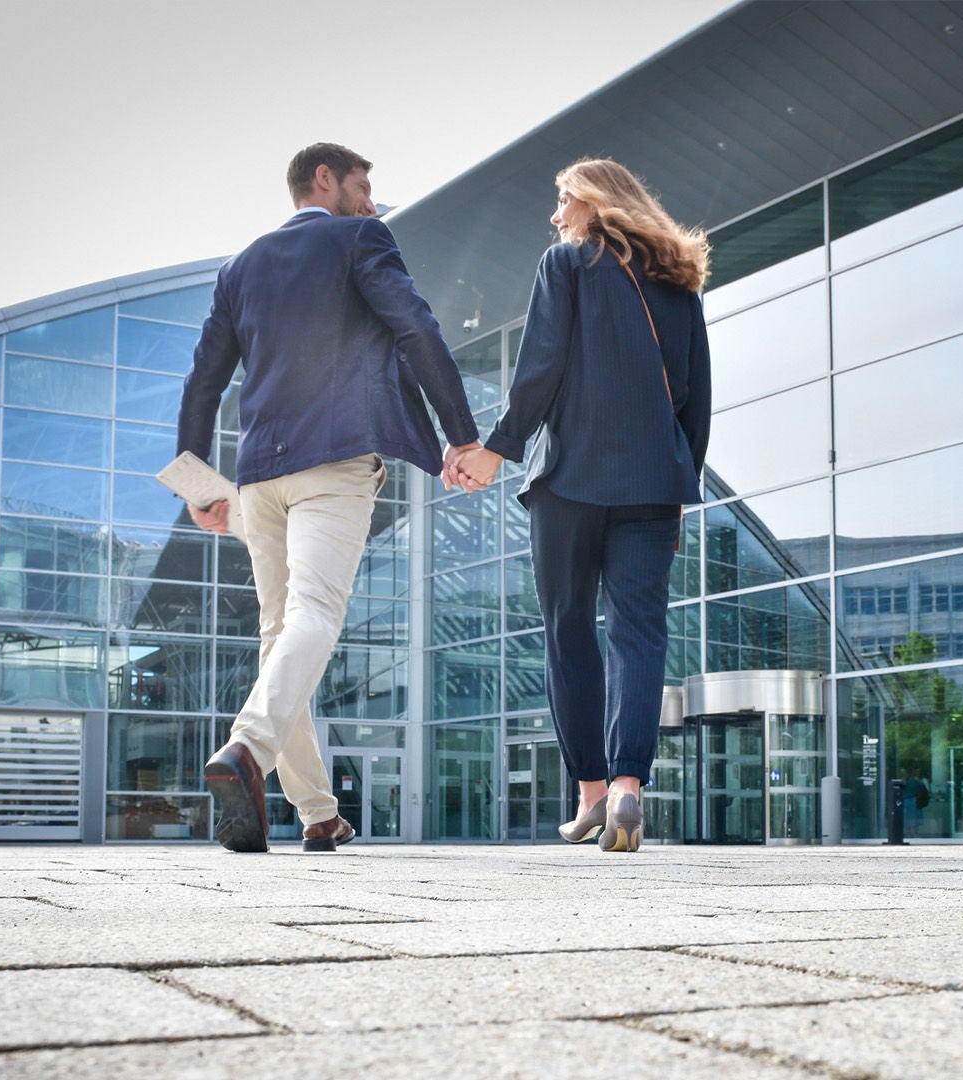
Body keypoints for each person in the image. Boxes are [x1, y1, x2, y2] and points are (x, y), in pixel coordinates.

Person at [178, 143, 480, 853]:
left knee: (280, 635)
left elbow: (203, 383)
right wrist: (461, 435)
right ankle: (247, 747)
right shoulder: (361, 238)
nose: (371, 201)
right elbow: (416, 328)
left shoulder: (239, 267)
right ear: (324, 179)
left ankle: (316, 810)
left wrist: (198, 486)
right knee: (314, 616)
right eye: (363, 185)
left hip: (258, 474)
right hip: (336, 460)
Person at [447, 158, 710, 853]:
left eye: (563, 201)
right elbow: (696, 399)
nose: (556, 216)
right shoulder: (681, 285)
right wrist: (686, 484)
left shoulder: (566, 264)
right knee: (639, 633)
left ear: (595, 203)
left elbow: (542, 365)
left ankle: (591, 791)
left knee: (570, 632)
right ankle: (627, 787)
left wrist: (496, 449)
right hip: (656, 482)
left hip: (568, 480)